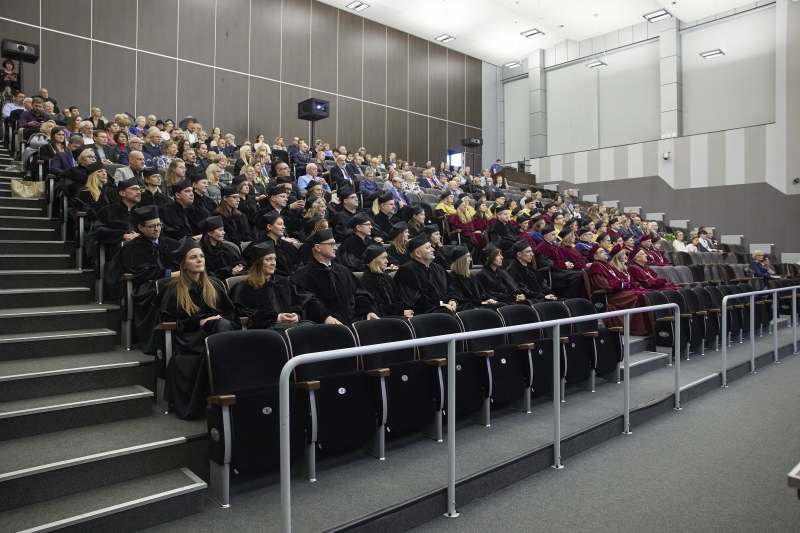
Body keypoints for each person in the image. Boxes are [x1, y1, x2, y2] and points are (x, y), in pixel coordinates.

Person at [154, 238, 238, 419]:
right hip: (190, 338)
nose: (200, 260)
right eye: (193, 257)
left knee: (222, 324)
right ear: (184, 264)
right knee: (220, 329)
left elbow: (229, 314)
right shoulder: (173, 290)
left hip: (216, 331)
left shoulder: (215, 285)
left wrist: (214, 320)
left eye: (201, 256)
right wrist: (198, 322)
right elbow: (173, 324)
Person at [119, 205, 180, 354]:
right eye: (152, 226)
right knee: (165, 291)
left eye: (159, 225)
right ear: (140, 227)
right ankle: (160, 342)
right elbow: (141, 273)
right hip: (147, 285)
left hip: (173, 280)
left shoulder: (169, 243)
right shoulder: (132, 247)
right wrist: (169, 275)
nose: (157, 229)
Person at [290, 229, 379, 324]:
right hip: (325, 325)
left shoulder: (343, 271)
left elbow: (358, 294)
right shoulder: (303, 275)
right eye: (331, 244)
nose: (336, 248)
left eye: (335, 244)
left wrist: (368, 310)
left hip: (352, 320)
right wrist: (325, 317)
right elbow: (308, 304)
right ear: (318, 247)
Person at [229, 240, 316, 333]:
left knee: (312, 327)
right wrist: (278, 318)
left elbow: (297, 304)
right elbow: (248, 314)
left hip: (290, 324)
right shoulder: (245, 287)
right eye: (268, 259)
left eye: (274, 259)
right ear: (258, 264)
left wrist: (296, 315)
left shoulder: (284, 282)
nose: (273, 263)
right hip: (267, 328)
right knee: (295, 331)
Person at [392, 234, 474, 315]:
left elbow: (450, 289)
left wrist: (452, 300)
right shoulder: (407, 270)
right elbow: (414, 300)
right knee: (444, 312)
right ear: (418, 253)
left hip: (446, 306)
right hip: (425, 310)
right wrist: (441, 304)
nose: (433, 249)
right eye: (428, 248)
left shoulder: (438, 268)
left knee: (470, 308)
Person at [588, 244, 649, 336]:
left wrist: (626, 284)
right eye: (601, 252)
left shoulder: (608, 266)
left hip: (620, 292)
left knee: (646, 293)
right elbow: (602, 285)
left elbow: (622, 279)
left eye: (604, 251)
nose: (605, 253)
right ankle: (639, 328)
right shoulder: (596, 265)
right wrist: (621, 285)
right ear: (595, 256)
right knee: (637, 296)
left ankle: (649, 325)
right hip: (611, 295)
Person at [91, 177, 142, 261]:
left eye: (139, 189)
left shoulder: (143, 212)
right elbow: (97, 231)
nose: (139, 192)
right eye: (134, 189)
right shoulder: (107, 211)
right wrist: (123, 235)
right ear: (122, 193)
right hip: (117, 251)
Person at [358, 245, 414, 317]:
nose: (387, 261)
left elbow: (398, 299)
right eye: (383, 258)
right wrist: (401, 312)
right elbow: (377, 308)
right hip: (384, 317)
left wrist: (404, 311)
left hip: (396, 314)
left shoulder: (387, 277)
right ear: (375, 261)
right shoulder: (365, 281)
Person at [534, 225, 584, 298]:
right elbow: (547, 263)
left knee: (582, 272)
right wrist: (564, 265)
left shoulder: (553, 245)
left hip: (560, 269)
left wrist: (568, 264)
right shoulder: (542, 247)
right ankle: (569, 299)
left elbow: (563, 258)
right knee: (577, 276)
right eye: (553, 234)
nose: (555, 237)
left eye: (555, 234)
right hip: (551, 272)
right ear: (545, 236)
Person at [199, 216, 247, 280]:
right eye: (220, 230)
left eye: (223, 229)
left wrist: (238, 268)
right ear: (210, 233)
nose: (224, 232)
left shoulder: (227, 247)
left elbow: (241, 262)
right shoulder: (201, 251)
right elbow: (207, 274)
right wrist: (229, 271)